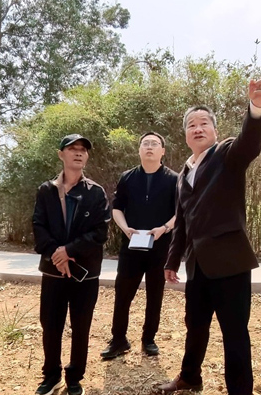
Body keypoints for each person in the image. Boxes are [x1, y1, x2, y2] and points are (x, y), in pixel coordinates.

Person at [158, 62, 261, 395]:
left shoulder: (226, 155)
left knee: (234, 333)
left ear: (215, 130)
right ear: (185, 135)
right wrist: (171, 260)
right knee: (195, 326)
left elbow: (250, 144)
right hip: (198, 267)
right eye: (191, 125)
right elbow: (182, 221)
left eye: (203, 123)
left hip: (230, 263)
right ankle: (190, 377)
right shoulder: (183, 174)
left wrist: (256, 108)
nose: (197, 129)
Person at [32, 134, 111, 395]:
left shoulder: (95, 192)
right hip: (53, 273)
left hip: (84, 273)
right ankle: (51, 375)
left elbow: (100, 232)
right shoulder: (46, 190)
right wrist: (56, 254)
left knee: (81, 326)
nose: (78, 153)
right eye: (72, 148)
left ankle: (75, 377)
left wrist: (69, 251)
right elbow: (38, 225)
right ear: (61, 154)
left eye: (83, 150)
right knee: (50, 325)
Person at [100, 132, 178, 359]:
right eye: (145, 144)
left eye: (155, 144)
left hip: (160, 246)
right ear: (139, 150)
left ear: (163, 151)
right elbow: (117, 208)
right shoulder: (127, 177)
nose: (149, 147)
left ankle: (149, 339)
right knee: (122, 293)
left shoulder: (174, 179)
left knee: (155, 293)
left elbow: (180, 212)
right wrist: (125, 228)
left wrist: (164, 228)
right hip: (131, 246)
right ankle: (118, 339)